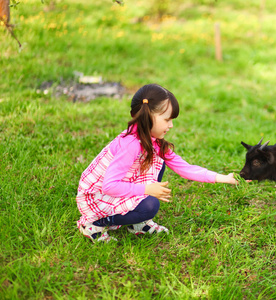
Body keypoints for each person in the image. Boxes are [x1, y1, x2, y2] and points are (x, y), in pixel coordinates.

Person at [76, 83, 237, 242]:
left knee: (159, 162)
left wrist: (223, 177)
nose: (171, 125)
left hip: (119, 186)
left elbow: (185, 168)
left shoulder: (153, 142)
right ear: (148, 116)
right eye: (167, 119)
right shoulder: (130, 144)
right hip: (97, 196)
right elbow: (109, 186)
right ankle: (94, 224)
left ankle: (136, 223)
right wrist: (147, 189)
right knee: (150, 206)